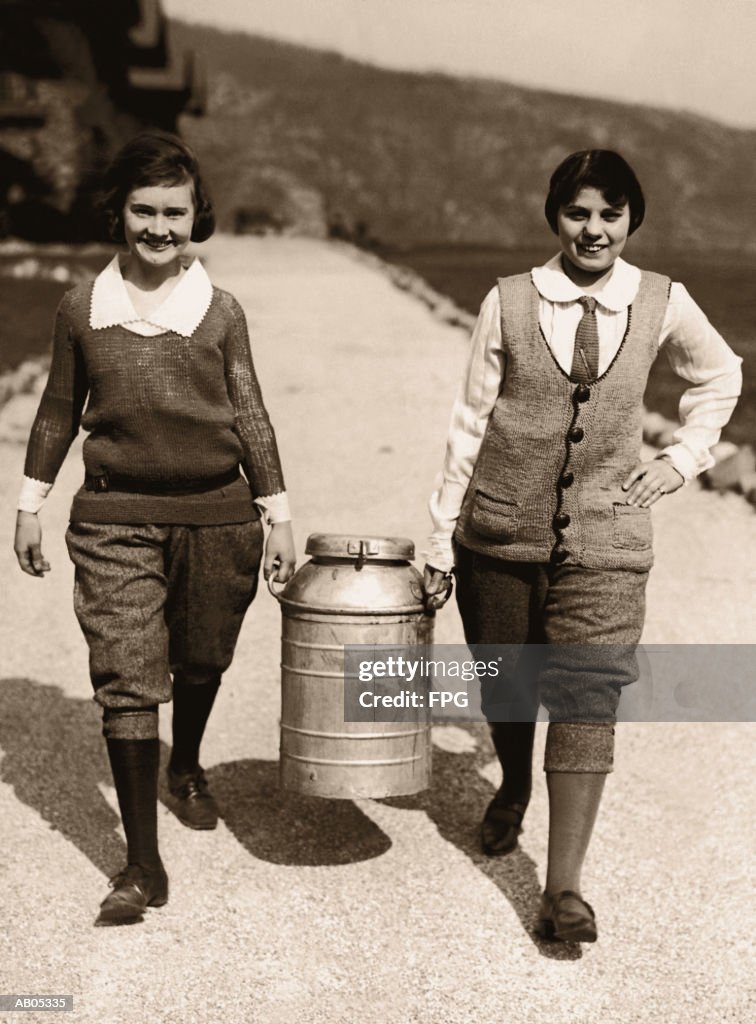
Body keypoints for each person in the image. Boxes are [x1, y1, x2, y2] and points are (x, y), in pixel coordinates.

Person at [424, 150, 741, 942]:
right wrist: (438, 538)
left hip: (609, 539)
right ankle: (512, 785)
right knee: (506, 684)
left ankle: (562, 889)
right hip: (497, 530)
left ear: (632, 219)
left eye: (610, 213)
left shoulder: (664, 301)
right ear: (554, 217)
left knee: (586, 698)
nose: (593, 229)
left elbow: (721, 376)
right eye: (578, 213)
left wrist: (681, 461)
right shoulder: (507, 303)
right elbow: (468, 423)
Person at [14, 131, 296, 925]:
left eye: (175, 212)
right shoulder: (81, 308)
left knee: (202, 653)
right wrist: (30, 503)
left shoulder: (220, 311)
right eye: (145, 210)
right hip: (114, 516)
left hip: (217, 515)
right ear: (119, 212)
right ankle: (142, 862)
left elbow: (251, 415)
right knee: (129, 674)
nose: (160, 228)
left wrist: (277, 517)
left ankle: (189, 765)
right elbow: (58, 411)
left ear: (195, 216)